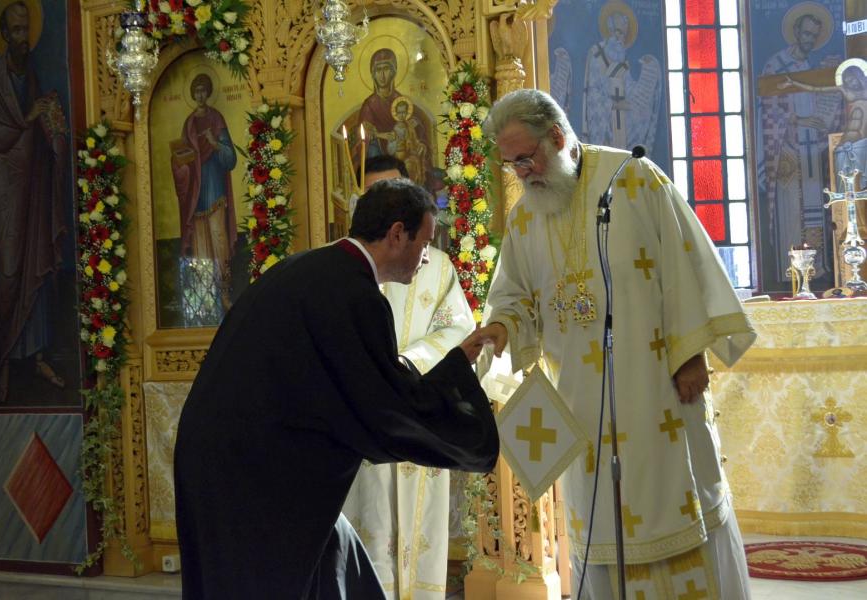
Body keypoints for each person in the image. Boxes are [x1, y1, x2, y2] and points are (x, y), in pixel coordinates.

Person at [481, 89, 757, 598]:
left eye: (526, 158)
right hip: (581, 403)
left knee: (675, 504)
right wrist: (500, 327)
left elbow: (682, 263)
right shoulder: (525, 218)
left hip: (658, 389)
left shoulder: (633, 180)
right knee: (600, 526)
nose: (521, 173)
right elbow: (514, 296)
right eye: (511, 163)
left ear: (557, 137)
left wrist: (691, 352)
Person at [174, 178, 499, 599]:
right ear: (396, 234)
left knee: (335, 558)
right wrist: (457, 386)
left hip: (227, 456)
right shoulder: (354, 293)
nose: (426, 257)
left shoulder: (307, 269)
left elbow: (358, 388)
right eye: (424, 242)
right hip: (253, 473)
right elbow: (384, 409)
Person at [342, 156, 475, 599]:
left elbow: (457, 328)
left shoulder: (435, 265)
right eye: (375, 192)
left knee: (419, 527)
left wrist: (409, 362)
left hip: (417, 403)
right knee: (370, 514)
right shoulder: (347, 263)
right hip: (366, 412)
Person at [0, 0, 68, 402]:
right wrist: (31, 117)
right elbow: (0, 137)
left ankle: (37, 357)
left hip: (33, 184)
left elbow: (38, 133)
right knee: (11, 269)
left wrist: (54, 127)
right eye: (16, 30)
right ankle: (1, 361)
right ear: (3, 34)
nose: (23, 38)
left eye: (26, 29)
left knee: (38, 266)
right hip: (6, 188)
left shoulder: (29, 75)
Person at [757, 4, 840, 276]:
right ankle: (791, 270)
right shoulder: (776, 65)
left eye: (814, 36)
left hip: (813, 148)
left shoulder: (810, 66)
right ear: (795, 32)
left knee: (816, 204)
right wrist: (799, 120)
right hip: (788, 149)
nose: (810, 40)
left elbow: (822, 103)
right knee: (792, 209)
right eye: (806, 34)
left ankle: (816, 268)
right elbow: (769, 109)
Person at [171, 73, 238, 318]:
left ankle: (224, 292)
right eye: (196, 91)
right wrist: (180, 162)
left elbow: (231, 159)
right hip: (196, 194)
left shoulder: (216, 118)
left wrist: (215, 142)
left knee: (219, 239)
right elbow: (181, 159)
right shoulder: (189, 123)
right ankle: (205, 297)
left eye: (203, 90)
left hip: (215, 187)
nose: (200, 95)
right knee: (200, 243)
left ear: (208, 92)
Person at [581, 0, 661, 153]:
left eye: (623, 35)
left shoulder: (622, 61)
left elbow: (629, 89)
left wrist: (648, 75)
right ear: (609, 29)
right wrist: (613, 105)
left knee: (623, 153)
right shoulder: (596, 54)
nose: (620, 39)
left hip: (621, 124)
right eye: (617, 32)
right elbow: (593, 94)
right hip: (603, 122)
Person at [352, 49, 436, 189]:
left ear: (394, 71)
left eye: (386, 69)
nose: (382, 75)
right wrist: (374, 135)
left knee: (411, 165)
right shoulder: (370, 105)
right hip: (378, 158)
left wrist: (416, 135)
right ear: (373, 73)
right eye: (378, 70)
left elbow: (415, 131)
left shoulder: (400, 100)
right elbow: (364, 138)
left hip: (402, 153)